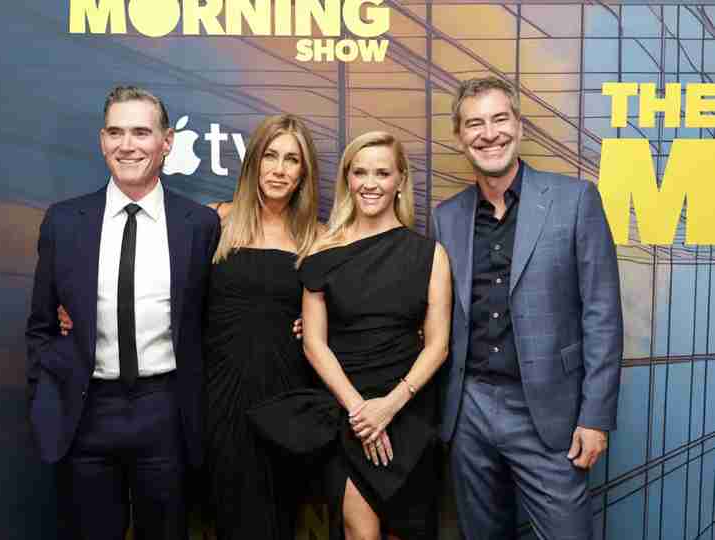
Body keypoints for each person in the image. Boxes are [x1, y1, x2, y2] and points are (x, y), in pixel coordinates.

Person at [432, 76, 623, 539]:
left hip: (549, 410)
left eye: (500, 119)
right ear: (460, 137)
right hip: (470, 409)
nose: (489, 133)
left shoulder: (575, 200)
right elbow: (427, 310)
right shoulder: (446, 216)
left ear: (520, 126)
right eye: (474, 124)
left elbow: (602, 313)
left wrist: (594, 416)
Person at [26, 85, 220, 540]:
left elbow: (211, 319)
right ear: (101, 140)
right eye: (116, 132)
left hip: (166, 410)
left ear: (166, 141)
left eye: (141, 132)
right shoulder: (63, 221)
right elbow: (39, 324)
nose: (127, 145)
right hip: (86, 411)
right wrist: (46, 393)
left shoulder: (199, 225)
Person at [250, 131, 451, 540]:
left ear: (400, 180)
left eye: (382, 172)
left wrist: (390, 407)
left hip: (409, 411)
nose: (370, 183)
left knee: (405, 531)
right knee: (360, 530)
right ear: (347, 178)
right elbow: (314, 342)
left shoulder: (430, 254)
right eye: (359, 172)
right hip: (347, 412)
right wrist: (361, 411)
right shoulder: (323, 249)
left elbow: (438, 345)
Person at [202, 114, 320, 539]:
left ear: (303, 172)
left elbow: (354, 310)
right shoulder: (213, 223)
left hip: (286, 400)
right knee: (231, 517)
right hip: (220, 396)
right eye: (271, 155)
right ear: (253, 161)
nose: (279, 169)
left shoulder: (317, 239)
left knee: (280, 520)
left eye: (292, 159)